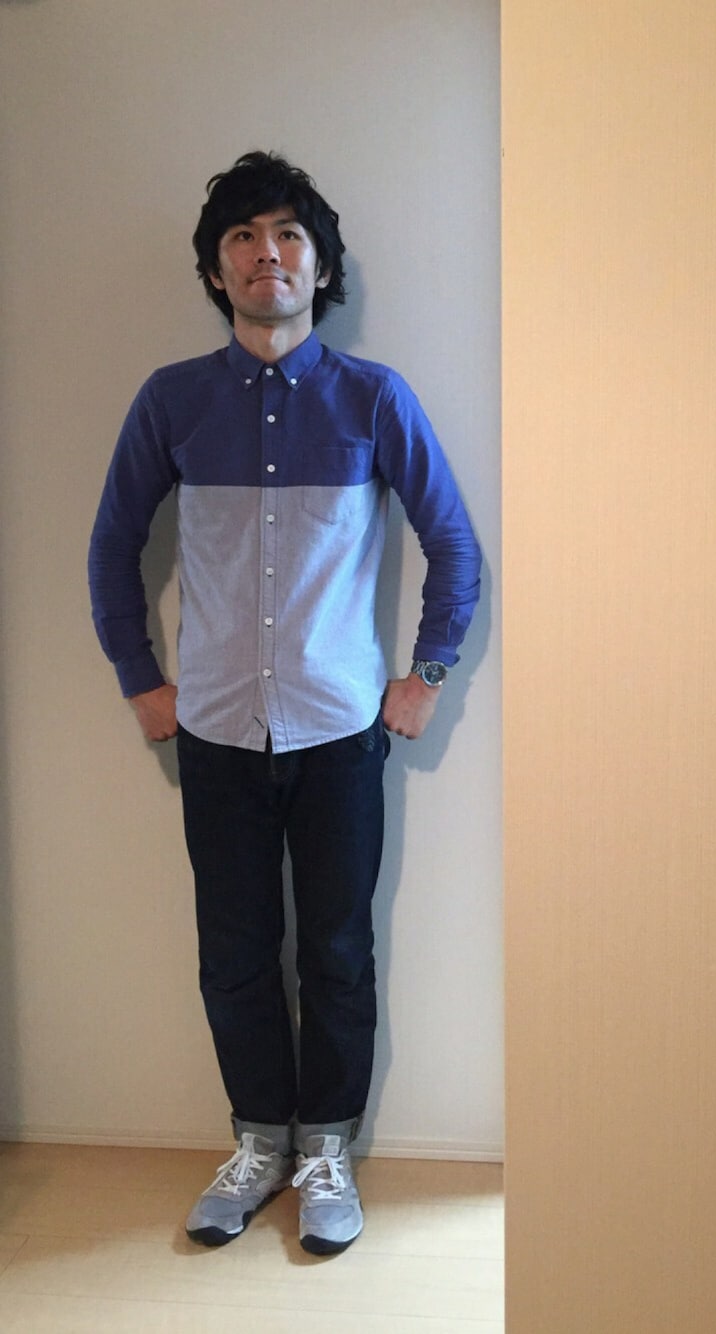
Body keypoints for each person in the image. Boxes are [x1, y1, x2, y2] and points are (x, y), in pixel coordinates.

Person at [88, 151, 481, 1256]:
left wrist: (425, 677)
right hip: (214, 729)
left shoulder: (374, 398)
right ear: (218, 272)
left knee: (339, 952)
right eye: (243, 238)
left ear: (321, 265)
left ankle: (326, 1152)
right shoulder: (172, 400)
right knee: (235, 951)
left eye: (289, 235)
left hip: (343, 729)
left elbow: (453, 545)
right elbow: (112, 548)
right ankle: (259, 1140)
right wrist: (142, 682)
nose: (269, 254)